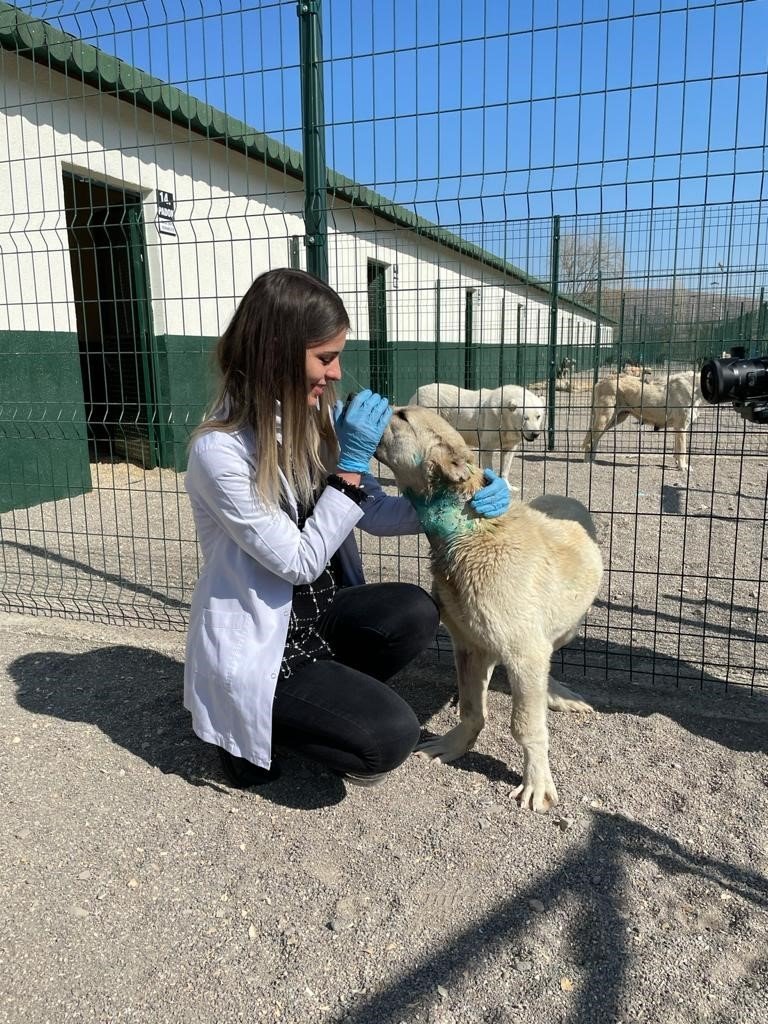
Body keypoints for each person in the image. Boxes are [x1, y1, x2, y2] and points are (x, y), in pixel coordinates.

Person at [183, 268, 511, 789]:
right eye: (325, 357)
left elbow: (373, 512)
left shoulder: (313, 419)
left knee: (413, 609)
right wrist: (352, 463)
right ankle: (258, 722)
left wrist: (460, 503)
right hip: (266, 637)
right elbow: (297, 561)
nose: (336, 374)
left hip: (318, 614)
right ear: (276, 352)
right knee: (389, 739)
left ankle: (322, 702)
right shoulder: (219, 451)